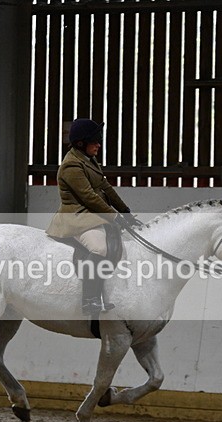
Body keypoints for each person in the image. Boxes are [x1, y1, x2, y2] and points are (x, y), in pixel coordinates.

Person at [46, 118, 142, 315]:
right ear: (81, 143)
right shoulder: (71, 166)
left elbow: (105, 187)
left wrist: (125, 211)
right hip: (76, 218)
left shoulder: (88, 160)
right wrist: (115, 217)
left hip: (91, 216)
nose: (99, 144)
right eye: (95, 141)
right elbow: (89, 197)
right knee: (99, 248)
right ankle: (89, 300)